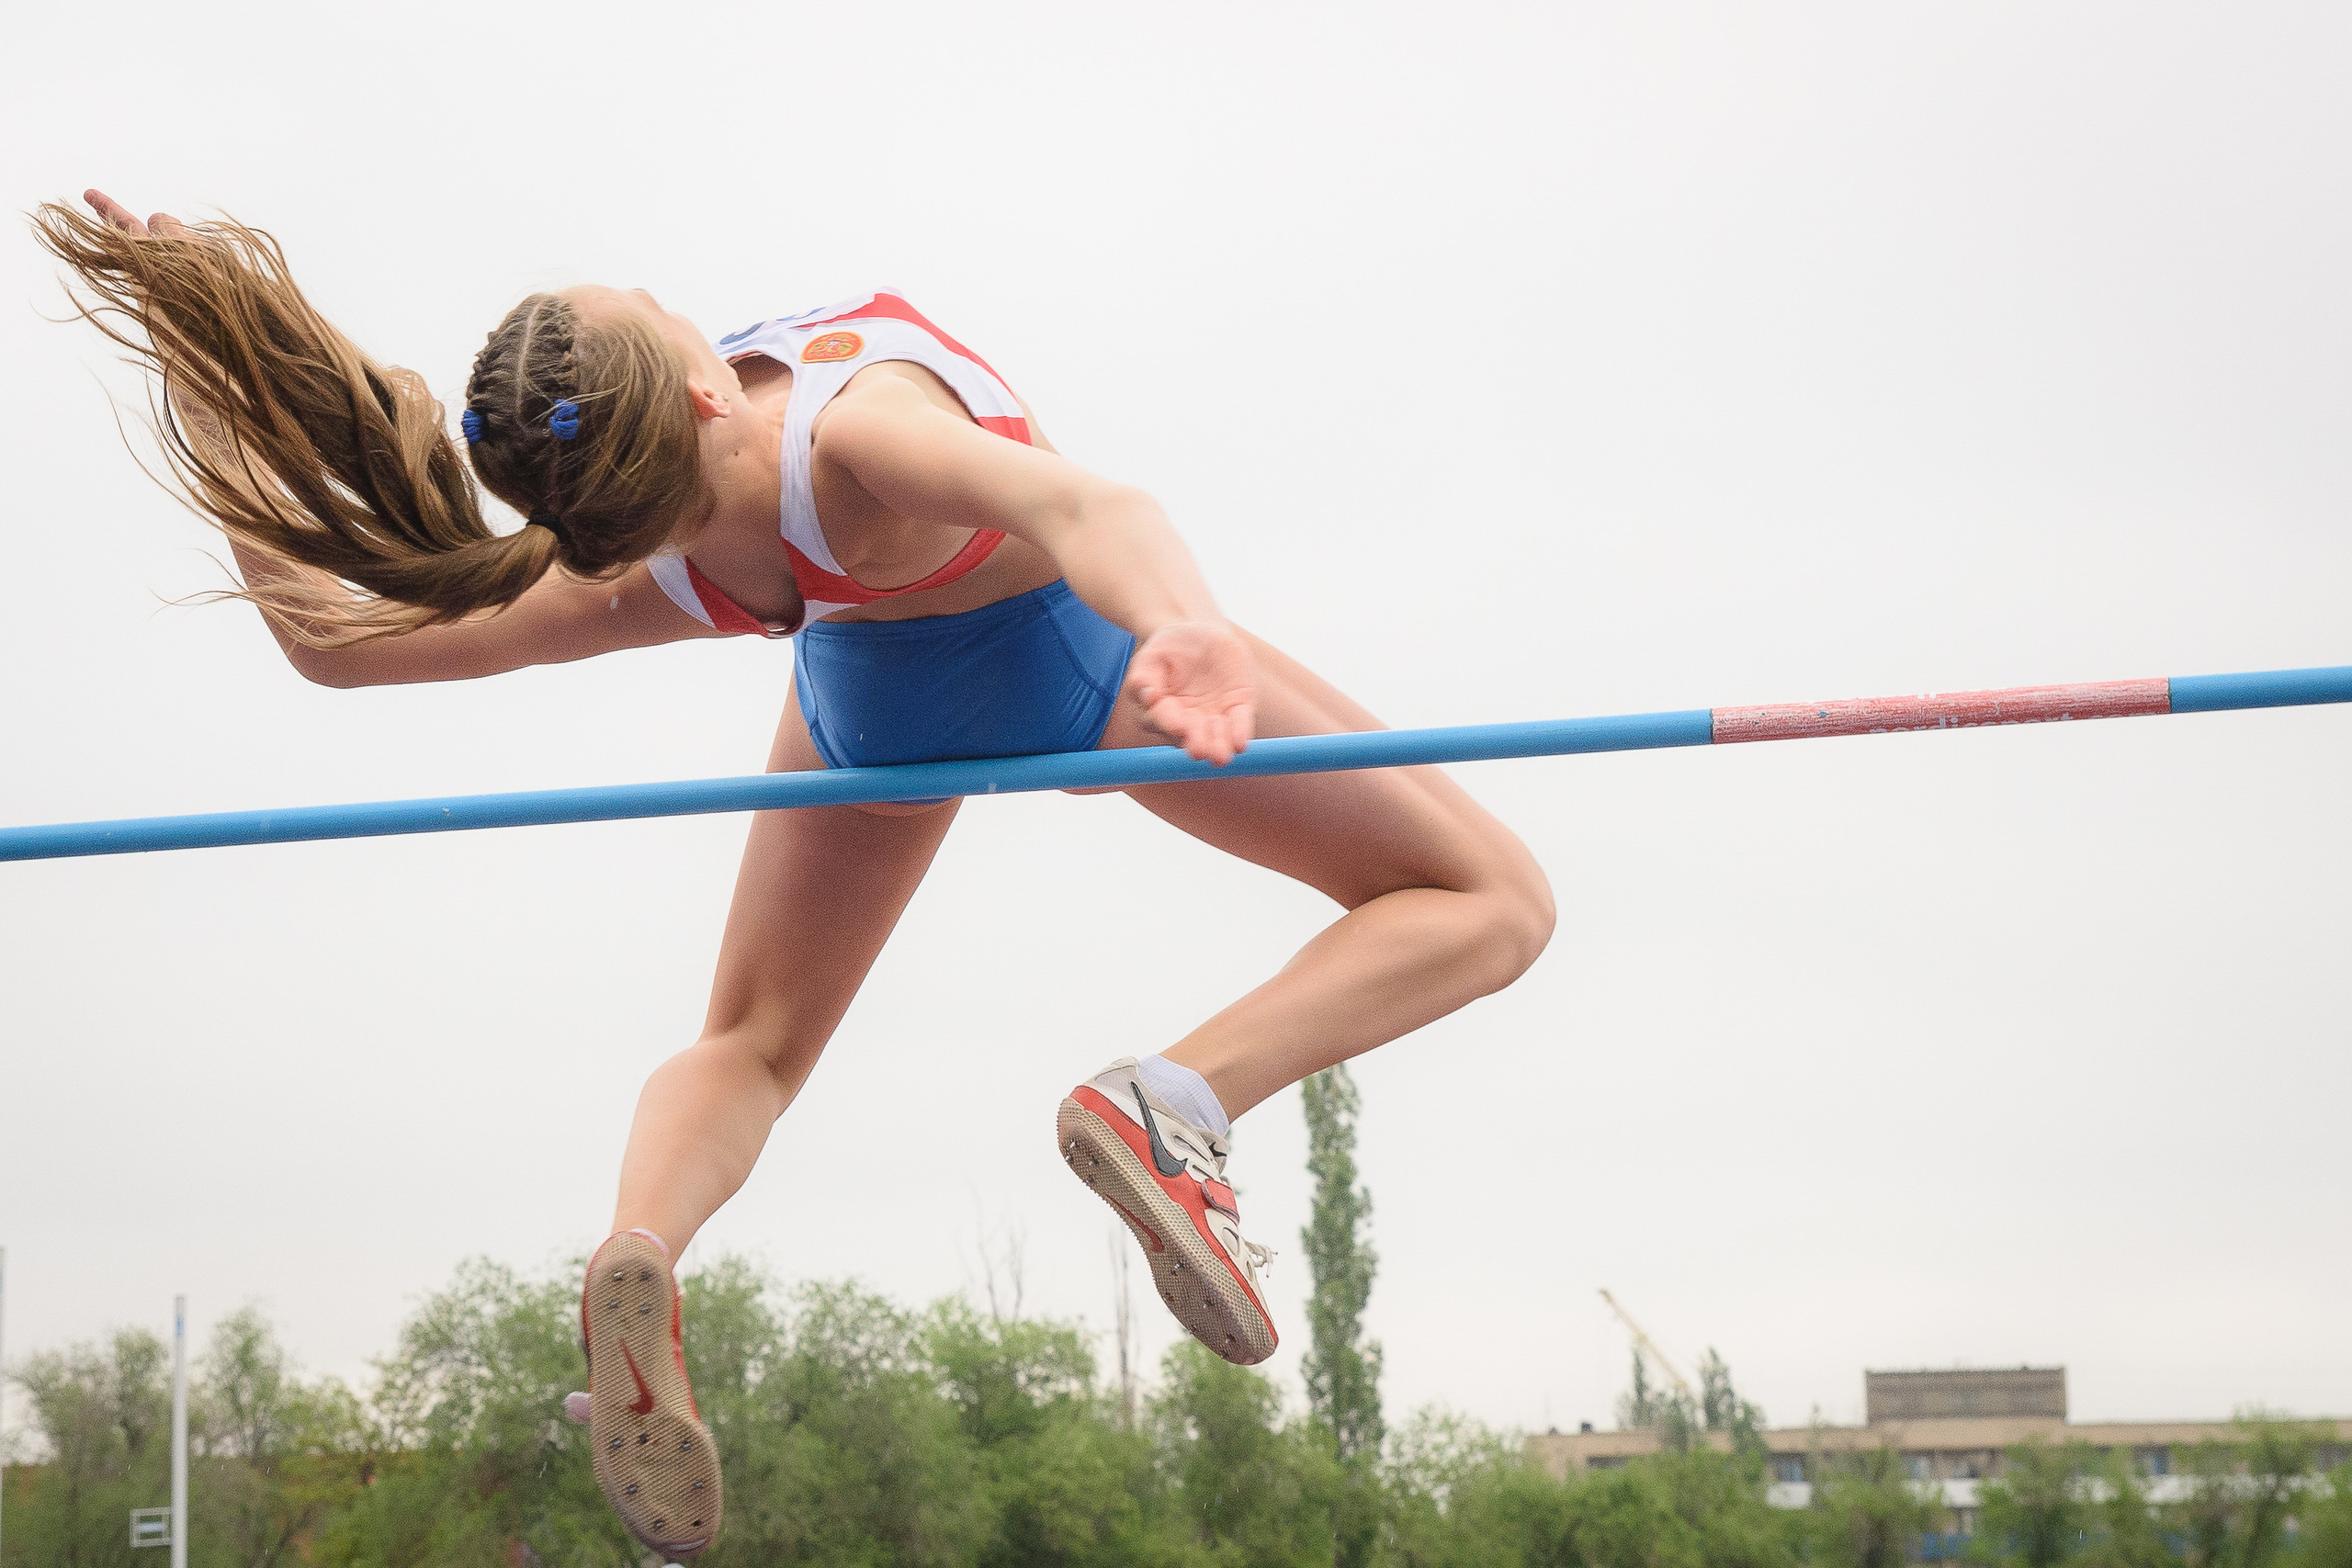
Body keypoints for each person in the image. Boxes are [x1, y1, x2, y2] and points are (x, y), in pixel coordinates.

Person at [40, 190, 1555, 1558]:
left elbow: (333, 647)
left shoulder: (640, 550)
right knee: (1487, 901)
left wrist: (217, 388)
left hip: (866, 711)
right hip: (1080, 659)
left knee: (751, 1047)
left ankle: (642, 1247)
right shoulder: (850, 432)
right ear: (704, 383)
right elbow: (1090, 510)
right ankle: (1175, 1104)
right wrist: (1185, 625)